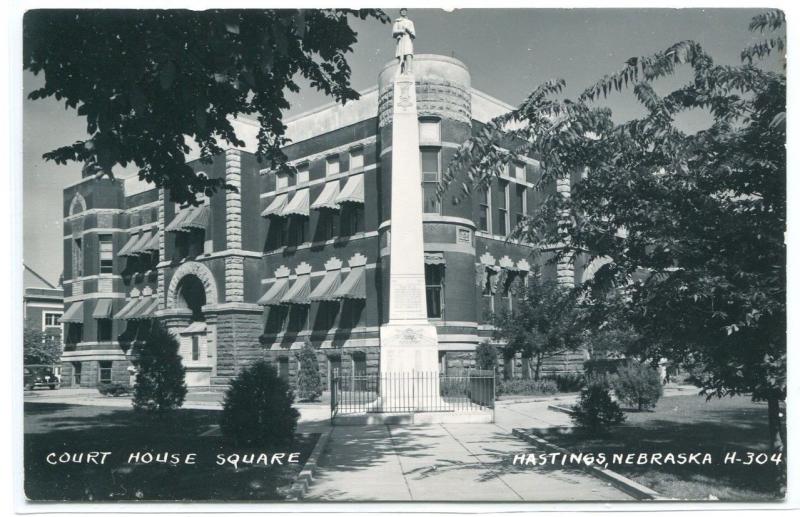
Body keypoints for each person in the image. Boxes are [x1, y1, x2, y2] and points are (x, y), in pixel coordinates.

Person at [393, 8, 416, 75]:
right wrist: (401, 31)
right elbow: (393, 32)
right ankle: (401, 72)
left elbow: (414, 34)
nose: (403, 12)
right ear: (400, 12)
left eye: (405, 11)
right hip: (401, 39)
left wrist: (408, 30)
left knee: (409, 54)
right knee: (401, 56)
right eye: (402, 11)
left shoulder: (410, 22)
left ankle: (409, 71)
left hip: (408, 39)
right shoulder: (397, 21)